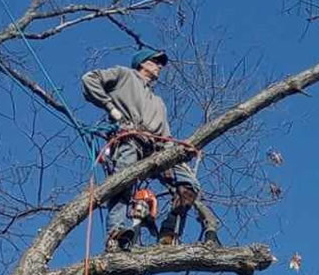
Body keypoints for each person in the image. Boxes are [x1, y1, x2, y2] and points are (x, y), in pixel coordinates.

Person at [81, 48, 220, 251]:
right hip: (129, 139)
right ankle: (117, 233)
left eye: (160, 63)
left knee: (189, 186)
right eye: (155, 62)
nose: (159, 66)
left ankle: (168, 232)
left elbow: (166, 136)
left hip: (157, 148)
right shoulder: (124, 75)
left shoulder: (158, 103)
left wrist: (180, 152)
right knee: (122, 183)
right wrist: (112, 109)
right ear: (142, 63)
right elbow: (89, 79)